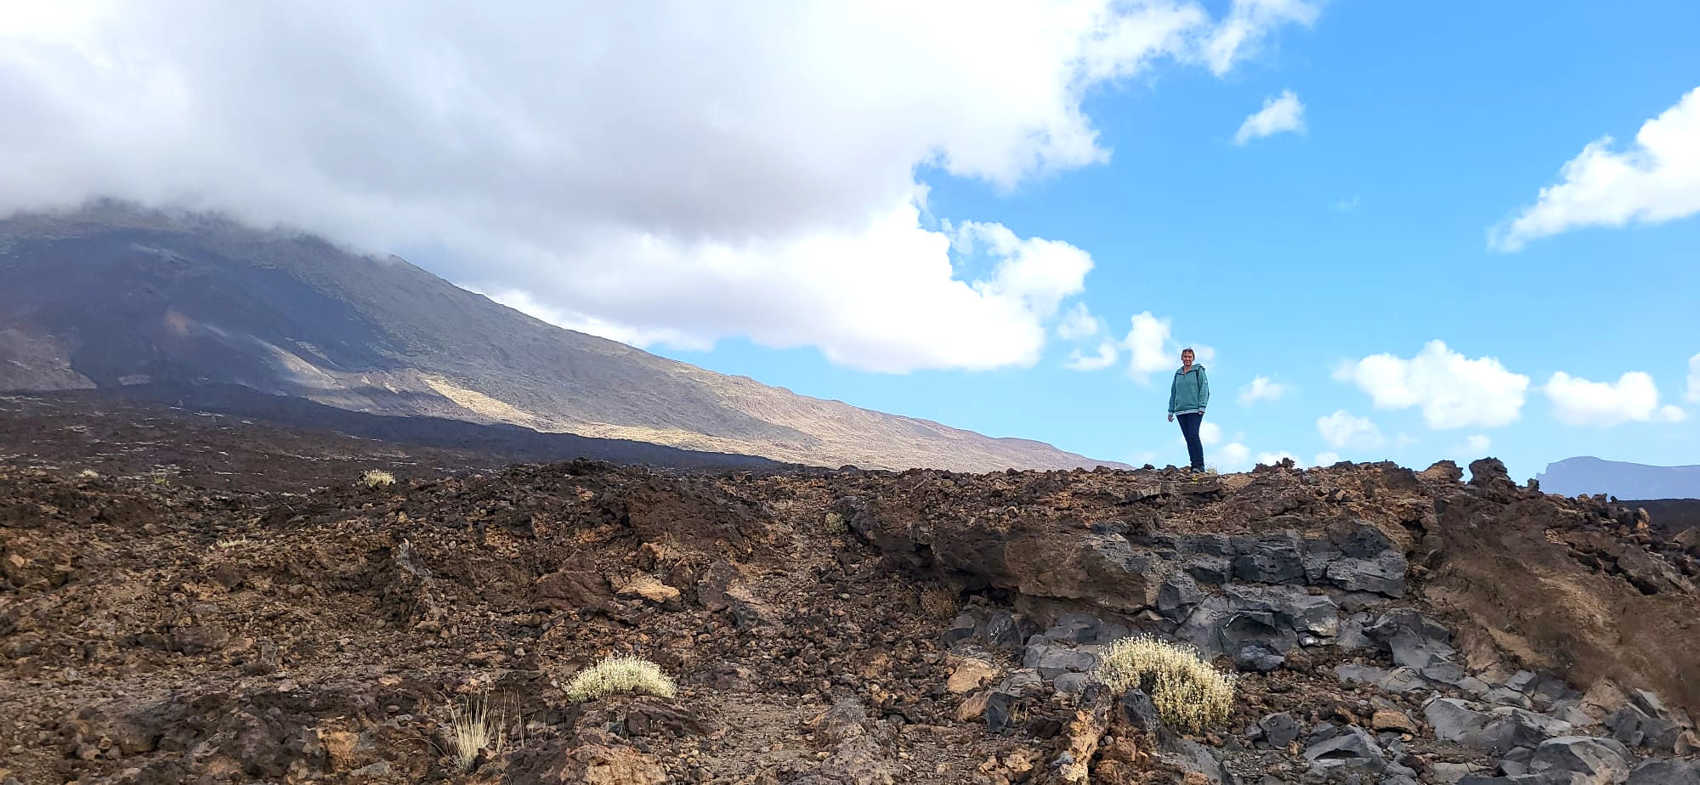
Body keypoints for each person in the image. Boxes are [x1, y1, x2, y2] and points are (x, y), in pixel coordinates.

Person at [1166, 348, 1209, 472]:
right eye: (1185, 356)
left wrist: (1202, 406)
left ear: (1193, 358)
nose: (1187, 359)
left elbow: (1204, 388)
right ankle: (1194, 465)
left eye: (1189, 356)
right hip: (1180, 411)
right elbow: (1174, 392)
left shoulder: (1198, 370)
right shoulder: (1178, 373)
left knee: (1193, 435)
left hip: (1195, 409)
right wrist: (1171, 410)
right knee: (1188, 438)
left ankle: (1200, 465)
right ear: (1181, 358)